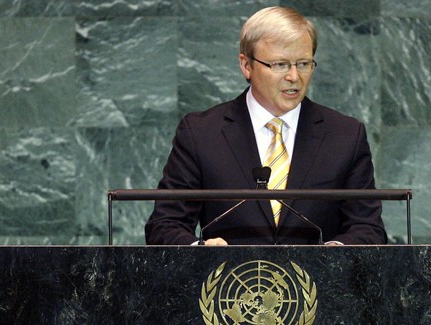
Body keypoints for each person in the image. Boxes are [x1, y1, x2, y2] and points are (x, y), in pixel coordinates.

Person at [145, 6, 386, 246]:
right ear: (246, 65)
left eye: (303, 63)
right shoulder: (201, 133)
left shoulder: (345, 135)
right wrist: (200, 251)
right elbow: (165, 224)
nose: (294, 76)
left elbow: (368, 227)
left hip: (318, 283)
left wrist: (339, 254)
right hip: (227, 281)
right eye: (280, 65)